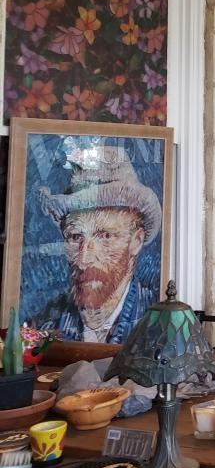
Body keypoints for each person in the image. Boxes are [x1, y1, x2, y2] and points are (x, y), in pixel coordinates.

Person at [36, 145, 162, 343]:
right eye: (76, 237)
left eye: (104, 236)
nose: (83, 259)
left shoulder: (158, 324)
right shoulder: (44, 325)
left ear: (136, 242)